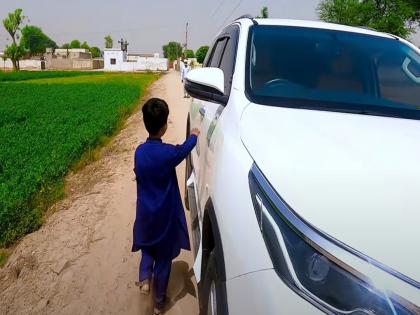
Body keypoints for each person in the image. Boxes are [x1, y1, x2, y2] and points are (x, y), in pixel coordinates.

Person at [132, 98, 200, 314]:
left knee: (147, 252)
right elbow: (184, 149)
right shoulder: (168, 153)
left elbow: (140, 173)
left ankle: (144, 280)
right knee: (163, 261)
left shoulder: (139, 152)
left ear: (145, 123)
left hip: (145, 217)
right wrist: (195, 135)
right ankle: (159, 303)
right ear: (164, 127)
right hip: (164, 219)